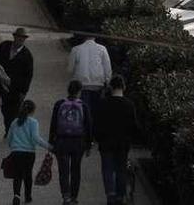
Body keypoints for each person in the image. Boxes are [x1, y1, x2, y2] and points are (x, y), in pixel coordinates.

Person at [94, 75, 139, 204]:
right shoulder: (129, 105)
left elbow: (96, 124)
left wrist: (98, 138)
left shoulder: (103, 103)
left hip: (106, 143)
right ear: (123, 87)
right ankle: (120, 195)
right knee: (121, 169)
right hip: (122, 143)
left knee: (107, 169)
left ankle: (110, 194)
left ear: (111, 87)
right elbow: (134, 126)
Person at [50, 80, 93, 205]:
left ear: (68, 90)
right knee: (76, 169)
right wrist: (89, 144)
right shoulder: (83, 106)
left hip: (62, 141)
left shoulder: (59, 104)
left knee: (64, 171)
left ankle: (66, 196)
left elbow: (53, 123)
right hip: (78, 142)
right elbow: (88, 125)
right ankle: (74, 197)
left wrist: (51, 141)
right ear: (79, 91)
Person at [7, 99, 51, 205]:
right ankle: (28, 196)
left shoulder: (15, 122)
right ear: (33, 111)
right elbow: (36, 138)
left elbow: (9, 137)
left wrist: (12, 147)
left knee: (17, 175)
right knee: (27, 174)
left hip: (16, 152)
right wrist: (49, 146)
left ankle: (16, 196)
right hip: (29, 153)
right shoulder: (33, 122)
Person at [0, 28, 35, 137]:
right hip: (0, 86)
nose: (20, 39)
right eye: (18, 37)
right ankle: (9, 129)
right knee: (4, 110)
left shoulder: (27, 55)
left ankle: (11, 131)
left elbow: (28, 75)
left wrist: (23, 92)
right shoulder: (4, 46)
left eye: (23, 38)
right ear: (14, 37)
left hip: (15, 90)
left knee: (12, 113)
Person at [67, 36, 112, 125]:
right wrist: (107, 81)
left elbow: (70, 70)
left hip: (81, 85)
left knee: (83, 110)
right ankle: (93, 131)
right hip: (98, 84)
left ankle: (83, 130)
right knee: (95, 111)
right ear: (94, 37)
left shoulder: (76, 49)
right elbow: (108, 68)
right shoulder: (102, 49)